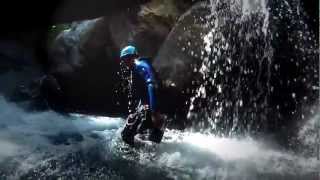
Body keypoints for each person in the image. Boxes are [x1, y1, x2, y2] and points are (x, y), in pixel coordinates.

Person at [118, 45, 164, 146]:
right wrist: (135, 111)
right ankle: (147, 151)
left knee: (126, 134)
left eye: (126, 59)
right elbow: (142, 94)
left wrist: (154, 111)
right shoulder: (134, 69)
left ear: (132, 57)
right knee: (133, 134)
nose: (124, 63)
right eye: (123, 60)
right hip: (145, 107)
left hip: (149, 108)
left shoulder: (140, 65)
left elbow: (151, 84)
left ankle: (143, 153)